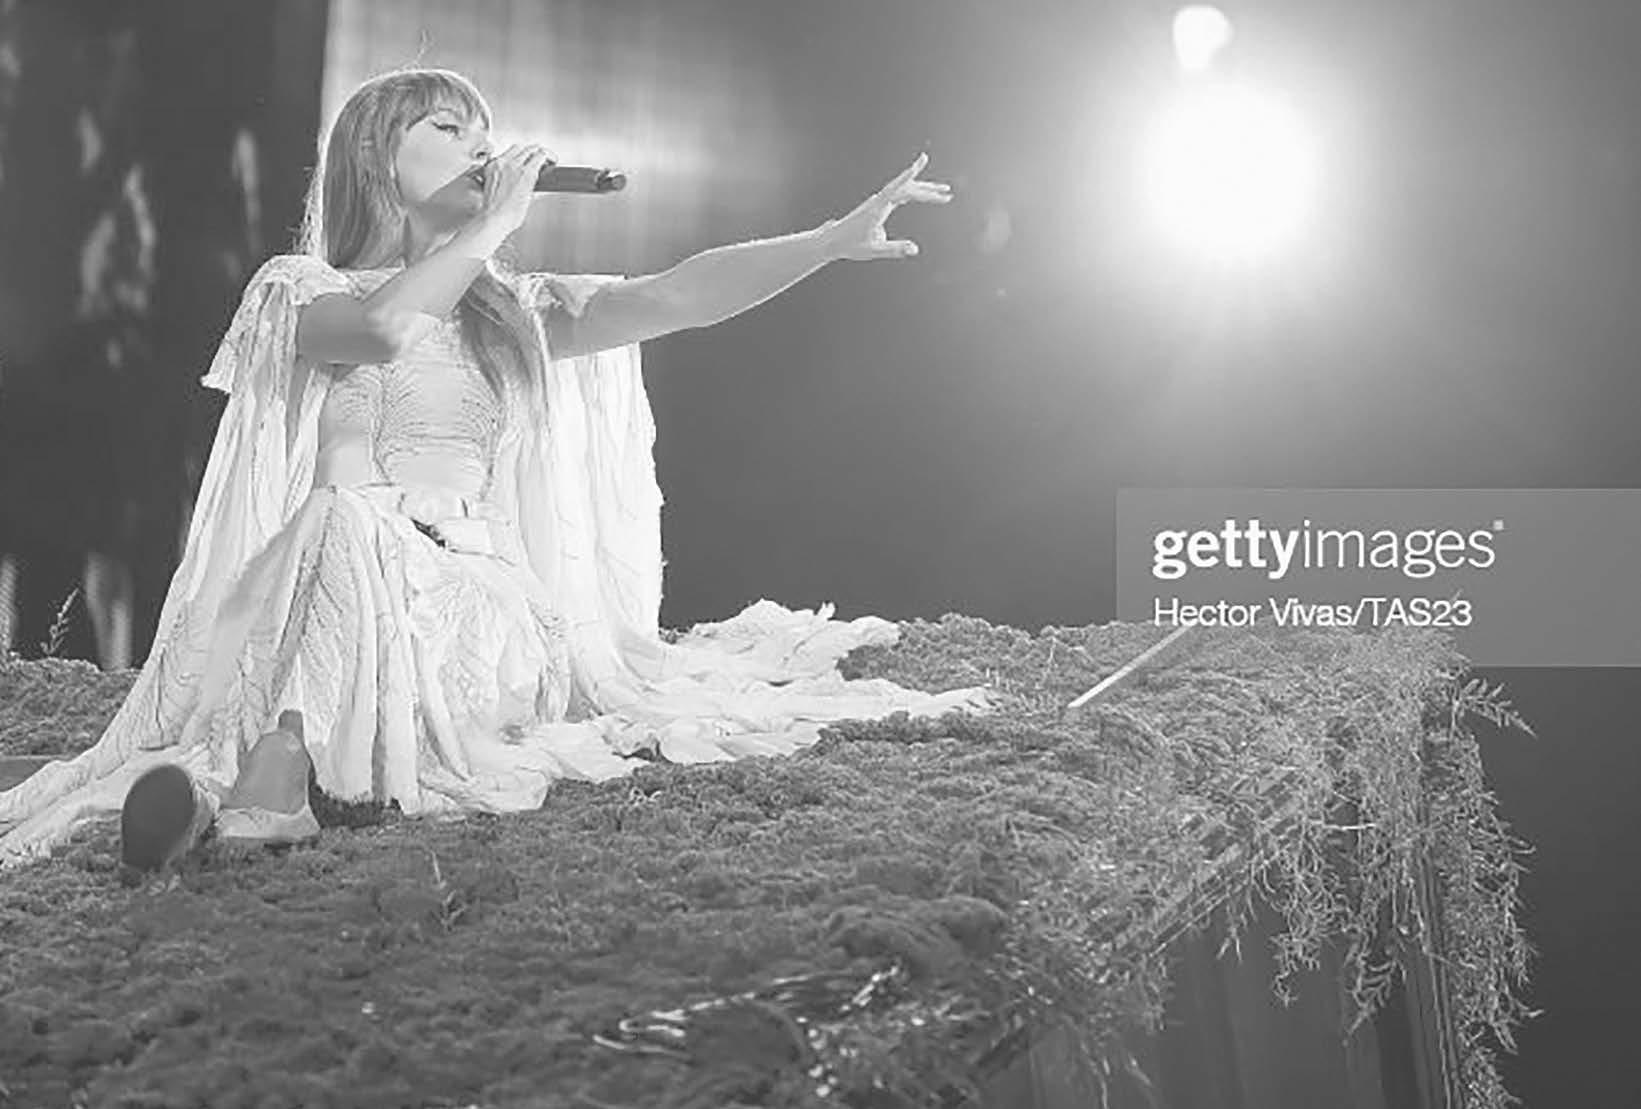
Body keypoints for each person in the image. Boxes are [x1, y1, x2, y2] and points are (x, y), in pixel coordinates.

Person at [0, 67, 993, 871]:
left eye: (486, 132)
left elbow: (674, 297)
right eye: (449, 129)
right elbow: (383, 332)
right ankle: (250, 776)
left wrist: (826, 242)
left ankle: (261, 776)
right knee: (341, 519)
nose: (482, 149)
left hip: (479, 606)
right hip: (338, 575)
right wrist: (491, 228)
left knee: (346, 528)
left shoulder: (512, 311)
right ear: (376, 159)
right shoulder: (303, 289)